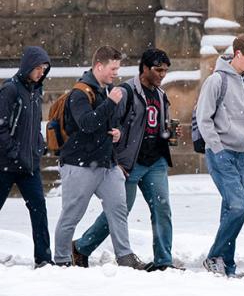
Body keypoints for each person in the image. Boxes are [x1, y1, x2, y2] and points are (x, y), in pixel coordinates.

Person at [72, 48, 179, 271]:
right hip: (129, 162)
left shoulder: (161, 95)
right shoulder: (126, 91)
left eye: (165, 71)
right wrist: (116, 160)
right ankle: (81, 247)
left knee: (162, 209)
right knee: (119, 209)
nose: (162, 75)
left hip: (155, 161)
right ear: (145, 68)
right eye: (158, 70)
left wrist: (168, 134)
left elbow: (156, 126)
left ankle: (164, 261)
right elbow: (111, 125)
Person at [52, 45, 146, 269]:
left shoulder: (107, 90)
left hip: (107, 163)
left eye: (117, 68)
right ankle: (62, 259)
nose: (116, 73)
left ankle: (125, 256)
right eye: (112, 68)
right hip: (80, 164)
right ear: (98, 66)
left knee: (118, 208)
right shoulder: (79, 93)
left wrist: (116, 132)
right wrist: (111, 102)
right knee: (71, 215)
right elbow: (87, 123)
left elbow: (107, 122)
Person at [195, 33, 244, 277]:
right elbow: (203, 119)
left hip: (240, 152)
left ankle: (226, 264)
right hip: (220, 152)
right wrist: (216, 148)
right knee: (239, 208)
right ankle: (214, 257)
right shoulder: (216, 81)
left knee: (230, 210)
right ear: (237, 54)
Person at [0, 46, 53, 267]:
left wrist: (38, 147)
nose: (41, 72)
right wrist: (14, 152)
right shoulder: (10, 90)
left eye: (44, 69)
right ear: (28, 66)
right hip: (4, 165)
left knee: (39, 208)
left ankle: (43, 259)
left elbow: (33, 125)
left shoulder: (35, 91)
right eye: (38, 68)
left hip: (28, 166)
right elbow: (1, 128)